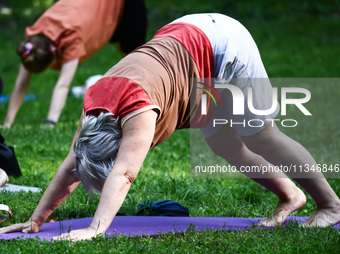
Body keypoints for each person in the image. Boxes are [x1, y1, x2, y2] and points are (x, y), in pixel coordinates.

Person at [0, 13, 339, 241]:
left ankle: (330, 205)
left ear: (119, 143)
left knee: (262, 136)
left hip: (222, 44)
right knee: (226, 145)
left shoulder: (139, 112)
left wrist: (95, 228)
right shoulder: (93, 107)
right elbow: (71, 166)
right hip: (187, 43)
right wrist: (36, 220)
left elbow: (125, 174)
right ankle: (290, 195)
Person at [1, 0, 146, 128]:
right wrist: (8, 122)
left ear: (54, 50)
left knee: (135, 62)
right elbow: (21, 83)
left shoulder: (71, 35)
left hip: (125, 5)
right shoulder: (34, 41)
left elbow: (63, 85)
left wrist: (50, 122)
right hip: (95, 11)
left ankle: (144, 108)